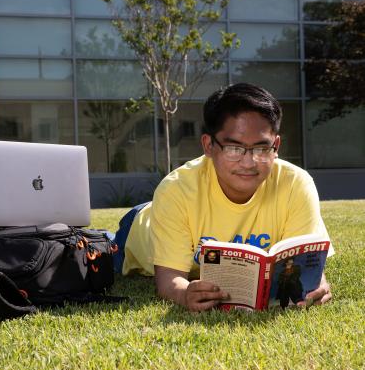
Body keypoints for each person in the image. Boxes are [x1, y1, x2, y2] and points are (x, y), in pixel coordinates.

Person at [113, 82, 333, 312]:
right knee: (94, 255)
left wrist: (316, 281)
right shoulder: (175, 190)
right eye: (234, 149)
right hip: (139, 231)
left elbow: (304, 262)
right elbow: (169, 280)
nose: (248, 163)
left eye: (261, 148)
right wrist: (183, 293)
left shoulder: (296, 184)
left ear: (276, 145)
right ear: (208, 145)